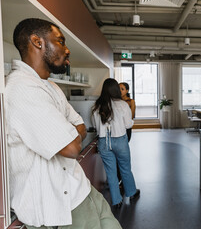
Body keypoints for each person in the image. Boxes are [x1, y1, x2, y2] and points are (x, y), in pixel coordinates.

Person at [5, 18, 122, 228]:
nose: (67, 50)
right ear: (37, 41)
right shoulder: (21, 88)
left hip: (82, 189)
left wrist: (69, 132)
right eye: (61, 41)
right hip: (58, 207)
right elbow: (71, 147)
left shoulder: (51, 87)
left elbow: (80, 125)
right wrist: (71, 134)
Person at [92, 78, 140, 208]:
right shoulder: (122, 104)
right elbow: (128, 124)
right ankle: (131, 192)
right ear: (115, 90)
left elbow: (95, 126)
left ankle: (116, 200)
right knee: (125, 168)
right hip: (120, 140)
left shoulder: (97, 105)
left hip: (103, 142)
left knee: (111, 172)